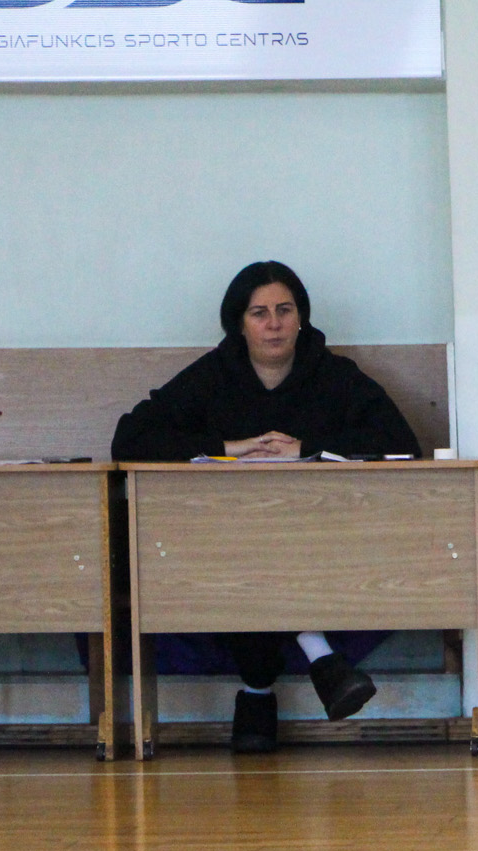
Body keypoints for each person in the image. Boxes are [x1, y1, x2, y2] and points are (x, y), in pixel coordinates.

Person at [113, 261, 422, 753]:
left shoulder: (333, 375)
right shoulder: (214, 375)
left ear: (302, 318)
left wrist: (308, 449)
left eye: (285, 310)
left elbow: (401, 443)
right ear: (239, 323)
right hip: (222, 538)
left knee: (272, 544)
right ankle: (318, 652)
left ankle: (257, 693)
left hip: (319, 535)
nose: (274, 324)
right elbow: (130, 438)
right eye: (260, 313)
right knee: (243, 544)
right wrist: (225, 448)